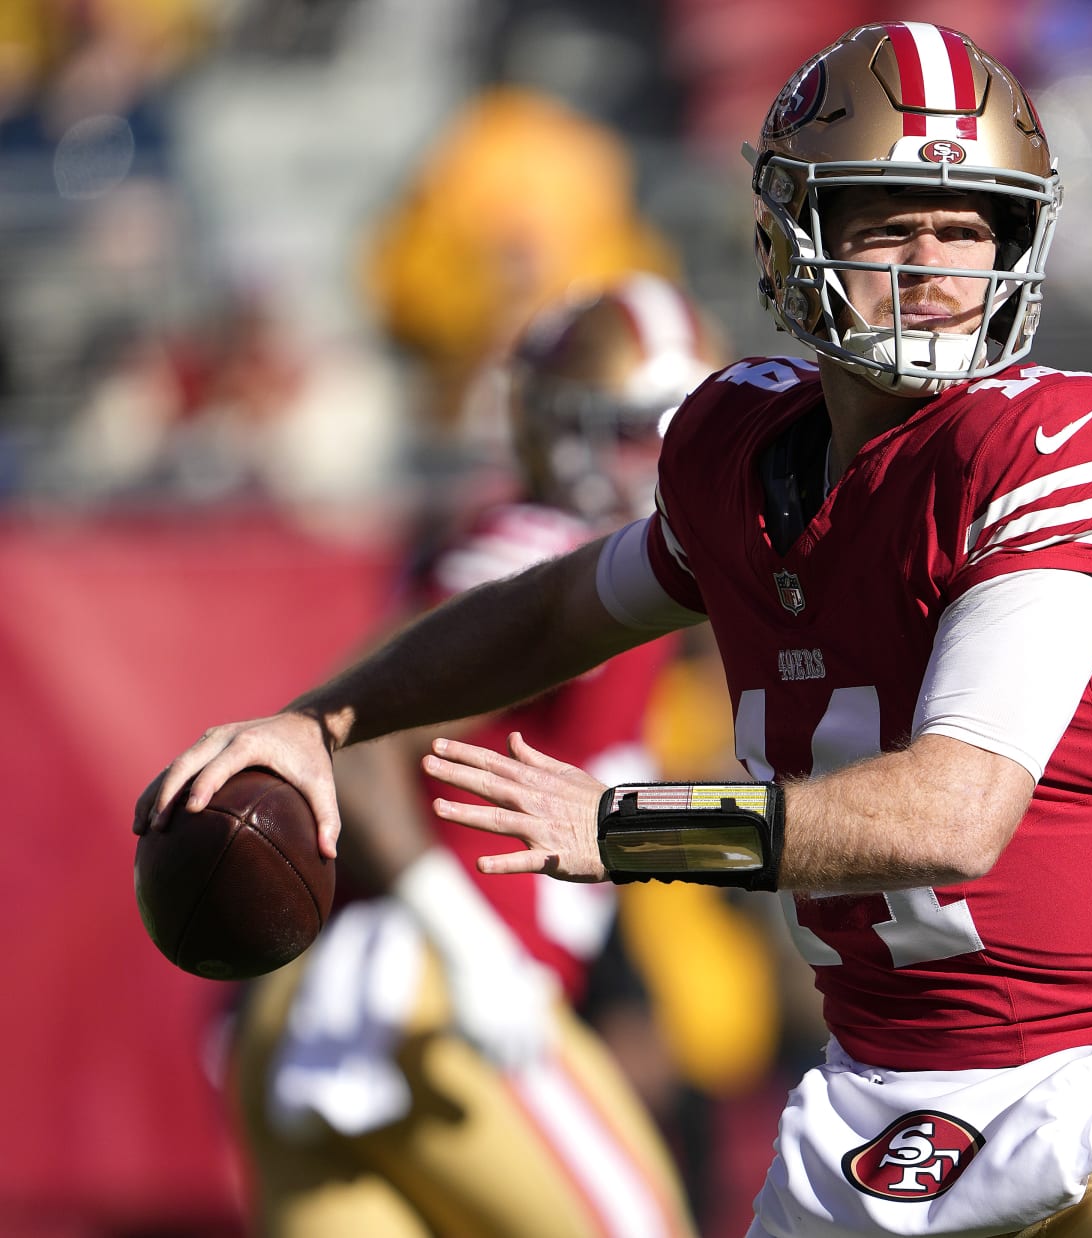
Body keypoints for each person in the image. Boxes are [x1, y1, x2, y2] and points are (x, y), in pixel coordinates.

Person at [139, 23, 1092, 1238]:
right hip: (871, 1109)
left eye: (968, 225)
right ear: (795, 236)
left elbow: (954, 816)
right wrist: (327, 717)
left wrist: (621, 829)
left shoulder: (1058, 443)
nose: (937, 263)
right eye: (890, 222)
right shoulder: (738, 449)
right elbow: (552, 606)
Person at [227, 275, 719, 1238]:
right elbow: (355, 745)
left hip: (328, 1013)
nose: (653, 461)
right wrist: (470, 947)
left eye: (675, 429)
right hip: (425, 999)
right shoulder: (539, 547)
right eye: (625, 428)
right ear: (559, 430)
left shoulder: (602, 571)